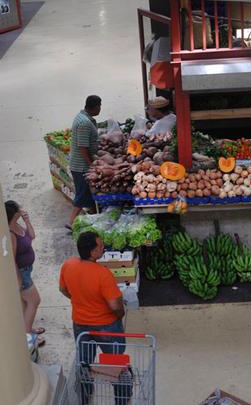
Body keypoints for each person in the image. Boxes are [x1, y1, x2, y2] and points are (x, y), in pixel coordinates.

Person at [59, 232, 132, 405]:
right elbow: (115, 307)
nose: (103, 247)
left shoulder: (68, 265)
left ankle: (85, 396)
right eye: (100, 246)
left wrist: (79, 301)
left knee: (84, 362)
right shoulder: (103, 274)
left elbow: (63, 289)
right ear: (92, 252)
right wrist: (120, 315)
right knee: (115, 364)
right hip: (107, 327)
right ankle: (121, 399)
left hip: (80, 324)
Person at [5, 200, 45, 346]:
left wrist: (27, 221)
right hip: (22, 274)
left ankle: (27, 329)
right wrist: (19, 280)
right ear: (14, 213)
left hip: (27, 270)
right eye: (19, 209)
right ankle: (27, 338)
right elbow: (12, 260)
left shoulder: (17, 225)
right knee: (34, 301)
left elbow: (32, 236)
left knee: (25, 304)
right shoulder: (10, 234)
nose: (22, 209)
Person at [67, 95, 102, 229]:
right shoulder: (85, 123)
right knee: (82, 194)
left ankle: (95, 215)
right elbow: (82, 147)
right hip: (81, 166)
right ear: (96, 106)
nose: (100, 108)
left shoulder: (82, 117)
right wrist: (91, 164)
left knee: (88, 192)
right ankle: (70, 222)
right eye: (100, 105)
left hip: (80, 164)